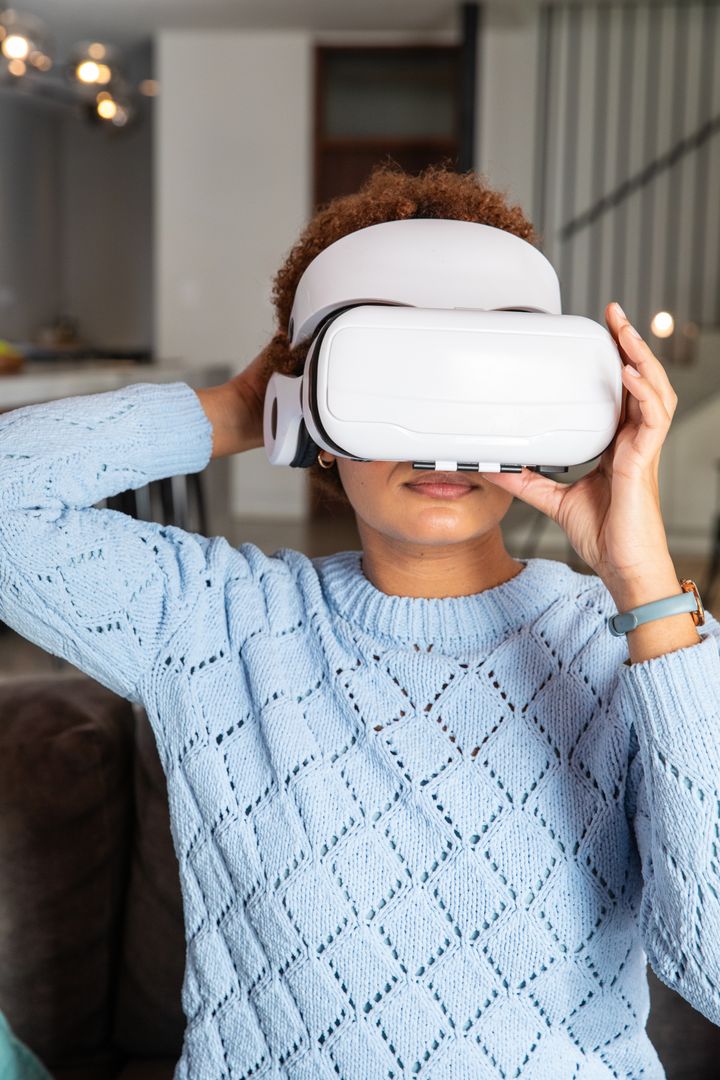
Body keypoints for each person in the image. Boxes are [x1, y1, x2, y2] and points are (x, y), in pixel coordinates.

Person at [1, 164, 718, 1079]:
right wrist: (234, 408)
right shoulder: (212, 624)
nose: (439, 435)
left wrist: (647, 585)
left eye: (477, 377)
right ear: (313, 414)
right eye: (394, 380)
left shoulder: (643, 647)